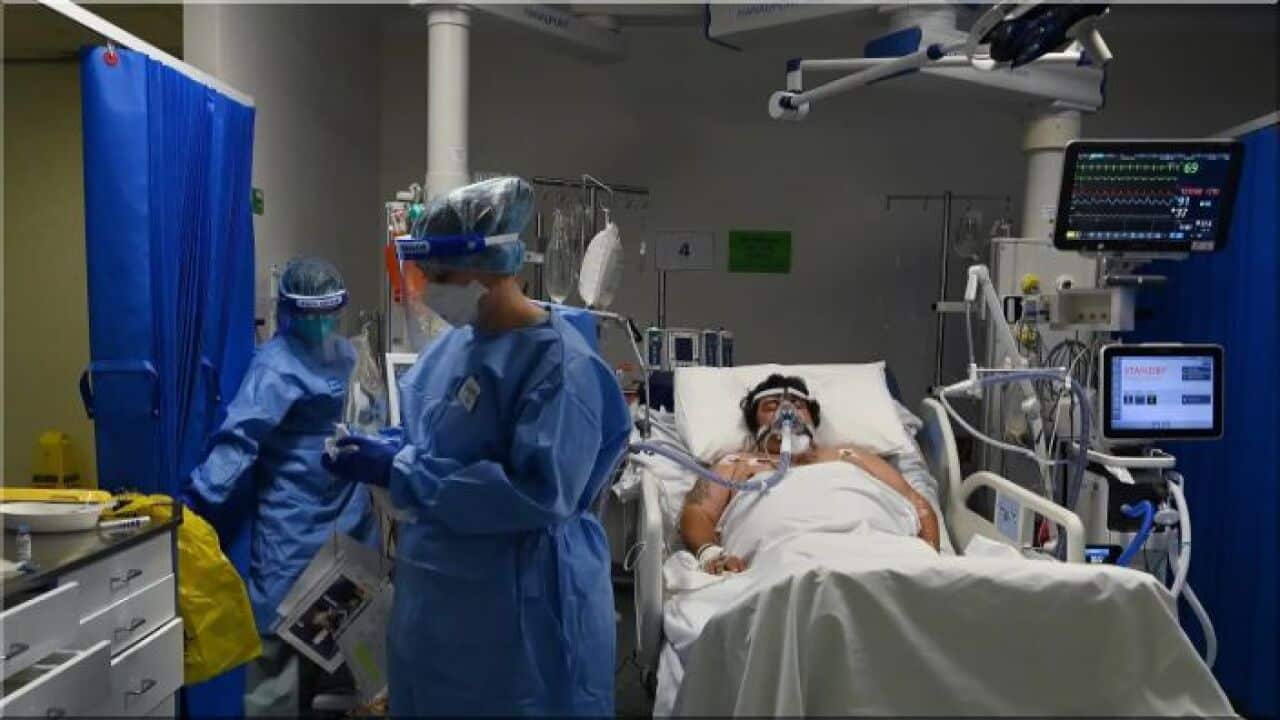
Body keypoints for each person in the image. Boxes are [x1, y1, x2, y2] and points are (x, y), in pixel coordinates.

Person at [324, 177, 631, 716]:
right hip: (437, 601)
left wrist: (402, 470)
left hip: (520, 609)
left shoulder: (560, 367)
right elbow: (437, 437)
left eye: (442, 275)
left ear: (491, 264)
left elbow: (535, 494)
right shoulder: (452, 349)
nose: (429, 289)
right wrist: (389, 446)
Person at [184, 257, 375, 716]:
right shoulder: (312, 361)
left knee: (317, 669)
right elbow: (242, 439)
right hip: (320, 535)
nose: (323, 325)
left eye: (329, 314)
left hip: (318, 533)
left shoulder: (316, 359)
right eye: (316, 315)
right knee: (313, 665)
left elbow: (241, 438)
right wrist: (199, 496)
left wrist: (194, 501)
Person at [680, 374, 940, 574]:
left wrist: (929, 560)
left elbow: (917, 505)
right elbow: (697, 512)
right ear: (754, 423)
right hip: (781, 559)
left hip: (878, 549)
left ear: (812, 418)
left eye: (797, 404)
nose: (787, 411)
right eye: (771, 406)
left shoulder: (851, 455)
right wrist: (711, 553)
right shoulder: (736, 463)